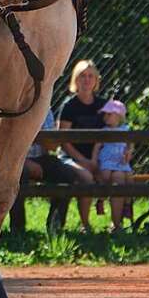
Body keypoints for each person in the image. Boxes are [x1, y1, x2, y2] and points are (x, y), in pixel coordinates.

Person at [8, 108, 92, 236]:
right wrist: (23, 161)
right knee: (18, 175)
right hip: (13, 159)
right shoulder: (11, 105)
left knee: (66, 175)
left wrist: (33, 132)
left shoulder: (44, 107)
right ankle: (18, 229)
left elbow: (52, 145)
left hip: (42, 158)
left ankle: (55, 226)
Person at [57, 59, 108, 232]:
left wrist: (97, 161)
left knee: (117, 176)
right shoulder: (69, 106)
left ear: (96, 80)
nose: (86, 80)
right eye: (82, 76)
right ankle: (85, 225)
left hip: (98, 157)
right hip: (70, 157)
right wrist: (85, 162)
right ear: (75, 80)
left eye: (90, 76)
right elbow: (64, 141)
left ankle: (117, 225)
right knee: (86, 177)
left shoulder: (103, 105)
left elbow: (113, 132)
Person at [92, 99, 133, 232]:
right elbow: (97, 146)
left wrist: (129, 151)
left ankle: (127, 204)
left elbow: (130, 144)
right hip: (107, 160)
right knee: (105, 175)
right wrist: (94, 161)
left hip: (120, 161)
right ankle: (101, 199)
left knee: (129, 177)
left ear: (119, 117)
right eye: (105, 114)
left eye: (109, 114)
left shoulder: (125, 130)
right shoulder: (104, 130)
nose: (106, 117)